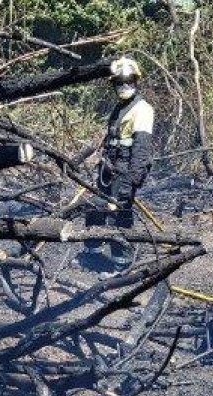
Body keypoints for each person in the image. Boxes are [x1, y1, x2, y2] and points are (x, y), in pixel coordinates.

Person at [86, 57, 155, 267]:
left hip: (126, 169)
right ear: (114, 84)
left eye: (129, 81)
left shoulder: (142, 109)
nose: (124, 86)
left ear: (136, 81)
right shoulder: (119, 108)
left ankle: (121, 263)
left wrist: (131, 181)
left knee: (119, 213)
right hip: (109, 166)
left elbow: (141, 149)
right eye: (120, 82)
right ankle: (93, 253)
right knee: (95, 206)